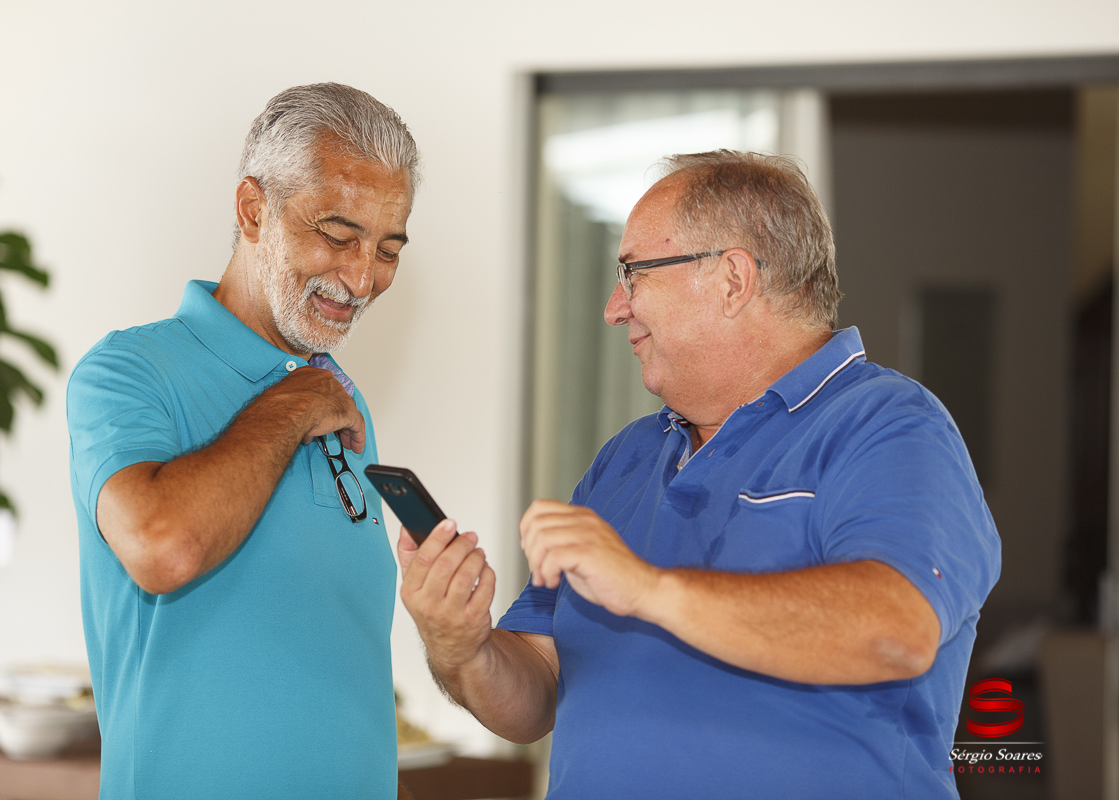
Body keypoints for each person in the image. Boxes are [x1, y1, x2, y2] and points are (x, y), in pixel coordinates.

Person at [400, 150, 1001, 798]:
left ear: (732, 280)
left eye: (633, 273)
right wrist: (460, 648)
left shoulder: (889, 425)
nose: (613, 308)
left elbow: (897, 630)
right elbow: (533, 695)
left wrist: (649, 588)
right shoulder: (626, 458)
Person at [66, 83, 419, 799]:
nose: (361, 278)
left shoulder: (341, 402)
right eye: (338, 235)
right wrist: (292, 405)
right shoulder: (126, 372)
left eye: (387, 249)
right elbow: (164, 546)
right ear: (254, 209)